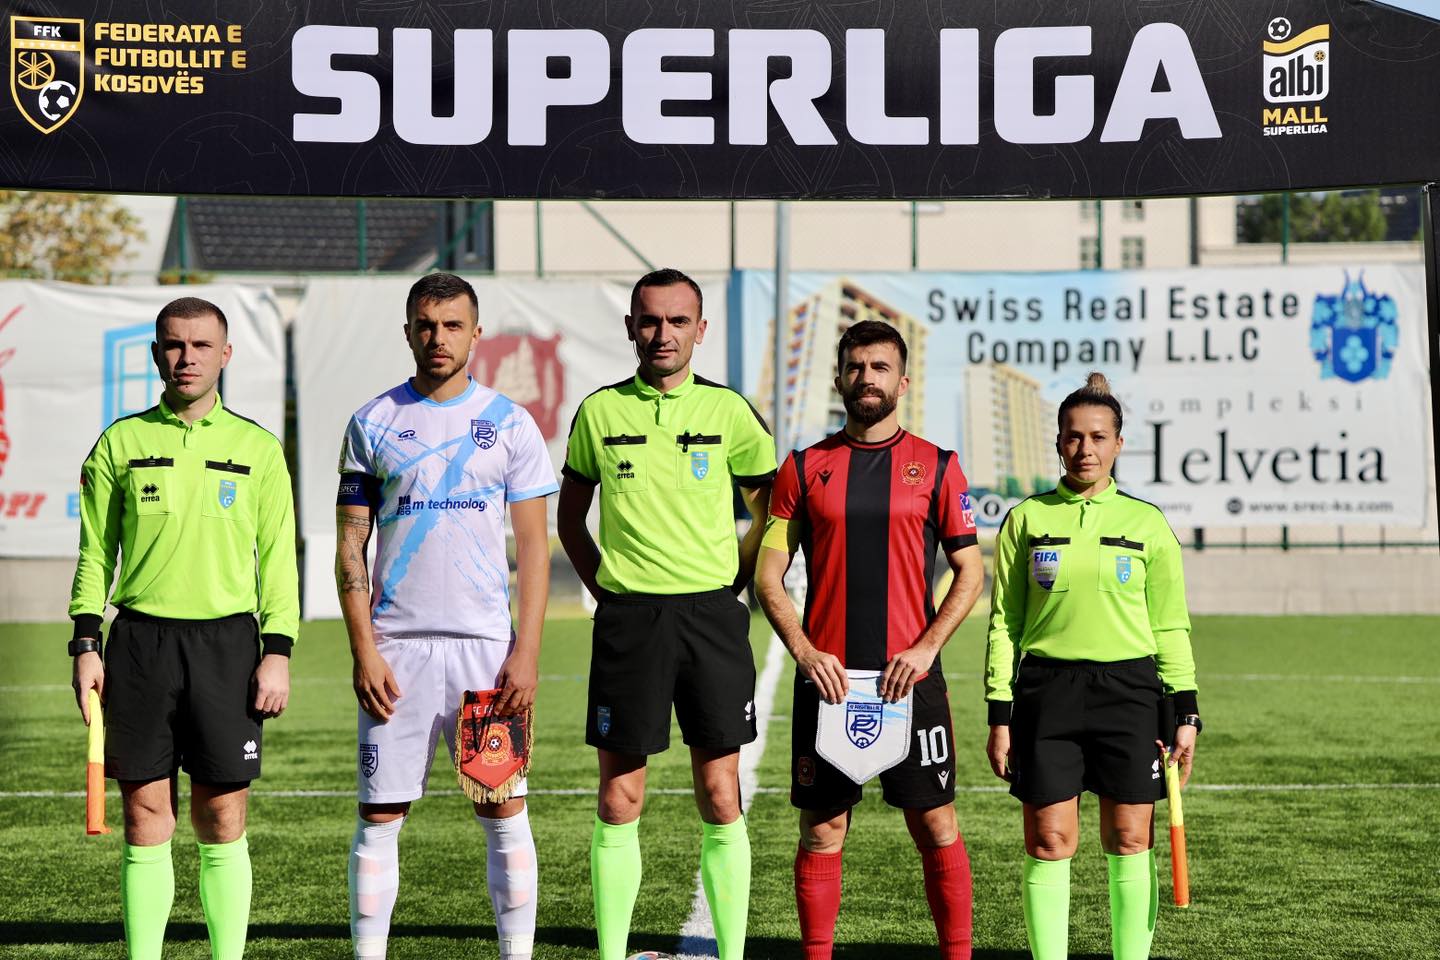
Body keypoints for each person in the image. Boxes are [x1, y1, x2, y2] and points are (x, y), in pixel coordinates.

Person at [68, 296, 299, 960]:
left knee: (221, 815)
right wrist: (85, 642)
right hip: (140, 645)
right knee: (144, 815)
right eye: (174, 345)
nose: (186, 357)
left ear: (226, 354)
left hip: (228, 647)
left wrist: (277, 650)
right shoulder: (120, 443)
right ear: (155, 354)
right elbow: (94, 553)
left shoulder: (258, 448)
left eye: (201, 346)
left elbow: (278, 558)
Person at [556, 267, 776, 960]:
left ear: (700, 330)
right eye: (650, 320)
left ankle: (732, 953)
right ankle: (612, 953)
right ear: (630, 327)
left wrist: (733, 580)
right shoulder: (599, 413)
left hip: (712, 619)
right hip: (630, 622)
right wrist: (609, 592)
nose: (663, 334)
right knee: (619, 798)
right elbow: (569, 520)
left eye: (678, 321)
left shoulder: (730, 412)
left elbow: (772, 514)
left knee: (720, 792)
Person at [336, 272, 557, 960]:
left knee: (502, 808)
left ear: (476, 334)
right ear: (408, 332)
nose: (439, 338)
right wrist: (364, 650)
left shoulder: (510, 423)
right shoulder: (372, 422)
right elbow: (350, 546)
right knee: (379, 815)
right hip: (396, 651)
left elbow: (534, 548)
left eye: (453, 325)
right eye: (426, 325)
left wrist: (526, 652)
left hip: (485, 651)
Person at [755, 319, 985, 960]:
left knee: (936, 824)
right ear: (838, 379)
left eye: (880, 367)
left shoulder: (938, 466)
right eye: (855, 367)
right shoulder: (803, 467)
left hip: (909, 677)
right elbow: (768, 576)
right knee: (823, 830)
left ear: (903, 382)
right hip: (829, 680)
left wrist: (927, 648)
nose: (867, 378)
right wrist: (806, 654)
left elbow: (970, 572)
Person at [984, 372, 1200, 960]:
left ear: (1119, 444)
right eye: (1074, 437)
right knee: (1049, 840)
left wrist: (1186, 712)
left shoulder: (1147, 523)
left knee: (1129, 838)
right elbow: (1004, 623)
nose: (1086, 449)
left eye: (1099, 437)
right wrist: (999, 714)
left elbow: (1170, 625)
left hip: (1130, 694)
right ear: (1058, 442)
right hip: (1046, 694)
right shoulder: (1027, 519)